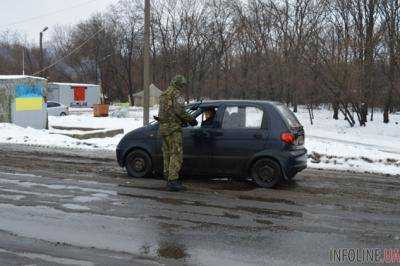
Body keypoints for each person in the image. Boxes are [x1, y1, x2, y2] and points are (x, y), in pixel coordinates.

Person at [157, 75, 197, 192]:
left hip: (163, 128)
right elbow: (180, 111)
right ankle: (173, 181)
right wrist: (191, 120)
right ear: (179, 84)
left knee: (167, 153)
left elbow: (165, 112)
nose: (183, 87)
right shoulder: (177, 94)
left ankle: (168, 176)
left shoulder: (164, 94)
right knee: (176, 154)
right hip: (173, 129)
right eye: (183, 85)